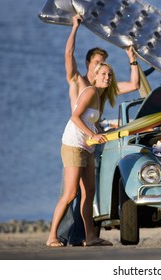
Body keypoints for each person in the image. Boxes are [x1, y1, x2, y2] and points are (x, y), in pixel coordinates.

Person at [57, 14, 140, 246]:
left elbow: (134, 85)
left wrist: (132, 59)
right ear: (88, 64)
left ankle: (86, 236)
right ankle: (62, 236)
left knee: (89, 192)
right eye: (96, 63)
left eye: (103, 63)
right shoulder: (77, 81)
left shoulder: (104, 87)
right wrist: (74, 27)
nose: (100, 66)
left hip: (92, 143)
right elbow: (67, 55)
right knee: (70, 192)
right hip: (75, 139)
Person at [46, 61, 118, 247]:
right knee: (70, 193)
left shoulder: (101, 97)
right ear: (94, 75)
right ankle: (52, 236)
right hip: (73, 145)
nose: (107, 77)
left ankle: (90, 236)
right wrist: (93, 134)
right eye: (103, 74)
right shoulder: (91, 91)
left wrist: (106, 131)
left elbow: (91, 121)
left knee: (89, 192)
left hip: (88, 146)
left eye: (109, 75)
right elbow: (75, 117)